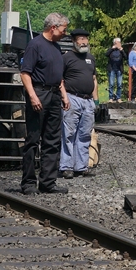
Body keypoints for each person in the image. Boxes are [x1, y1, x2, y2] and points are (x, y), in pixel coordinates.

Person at [19, 12, 70, 195]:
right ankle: (28, 183)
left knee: (53, 140)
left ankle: (48, 182)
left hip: (55, 94)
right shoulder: (35, 45)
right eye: (64, 29)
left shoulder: (56, 47)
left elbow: (59, 76)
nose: (66, 33)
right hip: (39, 93)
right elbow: (25, 73)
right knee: (33, 139)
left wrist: (64, 95)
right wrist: (33, 96)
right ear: (53, 27)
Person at [60, 29, 98, 178]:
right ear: (74, 41)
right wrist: (64, 98)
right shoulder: (66, 58)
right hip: (72, 98)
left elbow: (94, 79)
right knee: (68, 134)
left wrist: (96, 100)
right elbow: (60, 80)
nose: (83, 42)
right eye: (80, 39)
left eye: (85, 39)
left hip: (88, 100)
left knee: (84, 134)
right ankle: (66, 166)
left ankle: (81, 167)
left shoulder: (90, 58)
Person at [106, 37, 125, 102]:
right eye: (116, 43)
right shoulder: (111, 49)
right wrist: (112, 49)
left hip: (119, 69)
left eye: (119, 43)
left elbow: (125, 57)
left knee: (119, 84)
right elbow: (106, 54)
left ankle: (118, 97)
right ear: (114, 43)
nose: (118, 44)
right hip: (112, 69)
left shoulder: (121, 50)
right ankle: (111, 98)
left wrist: (122, 50)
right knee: (111, 84)